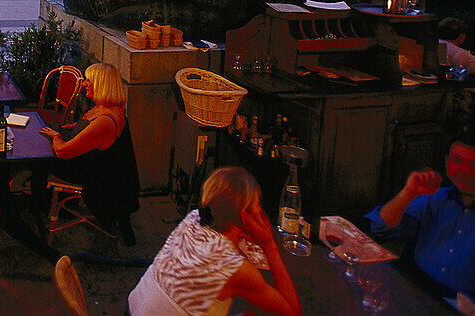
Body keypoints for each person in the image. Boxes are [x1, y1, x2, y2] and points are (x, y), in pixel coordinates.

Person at [366, 134, 475, 314]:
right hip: (415, 293)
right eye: (457, 160)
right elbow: (380, 228)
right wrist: (408, 192)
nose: (464, 170)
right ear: (446, 162)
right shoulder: (436, 196)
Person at [128, 167, 301, 316]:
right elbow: (292, 313)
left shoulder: (193, 219)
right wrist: (269, 244)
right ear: (244, 216)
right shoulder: (236, 270)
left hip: (133, 309)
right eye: (257, 209)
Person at [32, 62, 140, 244]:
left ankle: (37, 206)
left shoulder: (105, 121)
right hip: (94, 162)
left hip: (88, 171)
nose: (83, 84)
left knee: (37, 158)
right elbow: (88, 127)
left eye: (88, 80)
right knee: (39, 141)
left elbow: (61, 152)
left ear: (101, 84)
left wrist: (57, 135)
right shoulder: (111, 107)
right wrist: (74, 127)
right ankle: (37, 199)